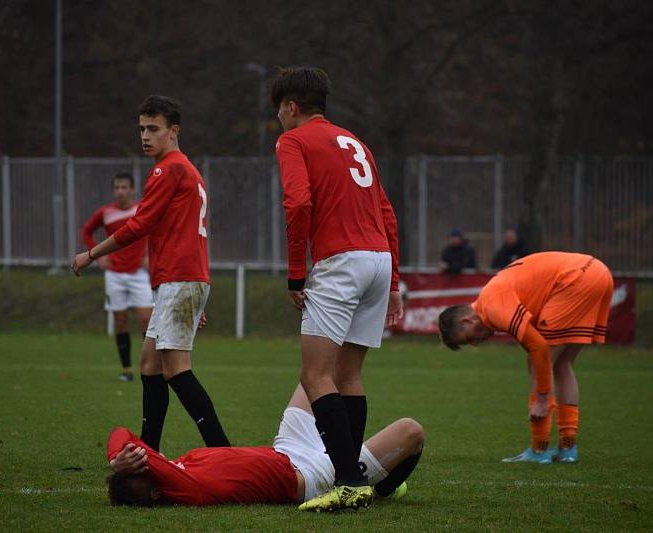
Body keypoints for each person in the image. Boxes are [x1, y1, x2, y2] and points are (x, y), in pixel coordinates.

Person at [270, 66, 403, 511]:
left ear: (291, 107)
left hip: (341, 260)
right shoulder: (356, 143)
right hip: (378, 260)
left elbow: (298, 201)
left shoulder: (293, 140)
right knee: (348, 374)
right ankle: (356, 472)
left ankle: (347, 481)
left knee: (315, 375)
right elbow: (386, 211)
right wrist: (396, 281)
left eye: (280, 114)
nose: (280, 123)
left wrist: (295, 272)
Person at [72, 95, 230, 451]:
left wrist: (92, 254)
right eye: (142, 128)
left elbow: (139, 224)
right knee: (149, 363)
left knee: (176, 369)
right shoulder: (185, 168)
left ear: (173, 132)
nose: (145, 135)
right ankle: (150, 448)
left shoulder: (168, 168)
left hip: (179, 278)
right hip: (180, 279)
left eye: (153, 129)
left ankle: (222, 452)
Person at [105, 384, 424, 509]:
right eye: (144, 467)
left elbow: (120, 432)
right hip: (312, 478)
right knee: (411, 432)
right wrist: (125, 461)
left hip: (287, 450)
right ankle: (383, 488)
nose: (147, 458)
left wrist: (116, 459)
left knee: (318, 375)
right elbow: (139, 447)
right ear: (156, 491)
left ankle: (374, 478)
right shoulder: (185, 489)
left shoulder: (176, 469)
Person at [437, 252, 613, 463]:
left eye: (468, 339)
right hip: (598, 272)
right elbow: (533, 342)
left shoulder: (491, 305)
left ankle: (540, 450)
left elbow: (538, 346)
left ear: (466, 321)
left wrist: (542, 398)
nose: (475, 344)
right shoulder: (493, 298)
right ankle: (567, 448)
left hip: (575, 279)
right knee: (562, 364)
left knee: (539, 360)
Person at [82, 173, 153, 382]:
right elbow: (87, 231)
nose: (120, 191)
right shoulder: (106, 213)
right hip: (114, 275)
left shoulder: (142, 210)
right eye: (117, 188)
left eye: (124, 187)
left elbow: (157, 231)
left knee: (146, 321)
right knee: (120, 322)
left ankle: (150, 367)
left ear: (132, 190)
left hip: (139, 274)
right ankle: (127, 370)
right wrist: (97, 256)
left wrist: (150, 256)